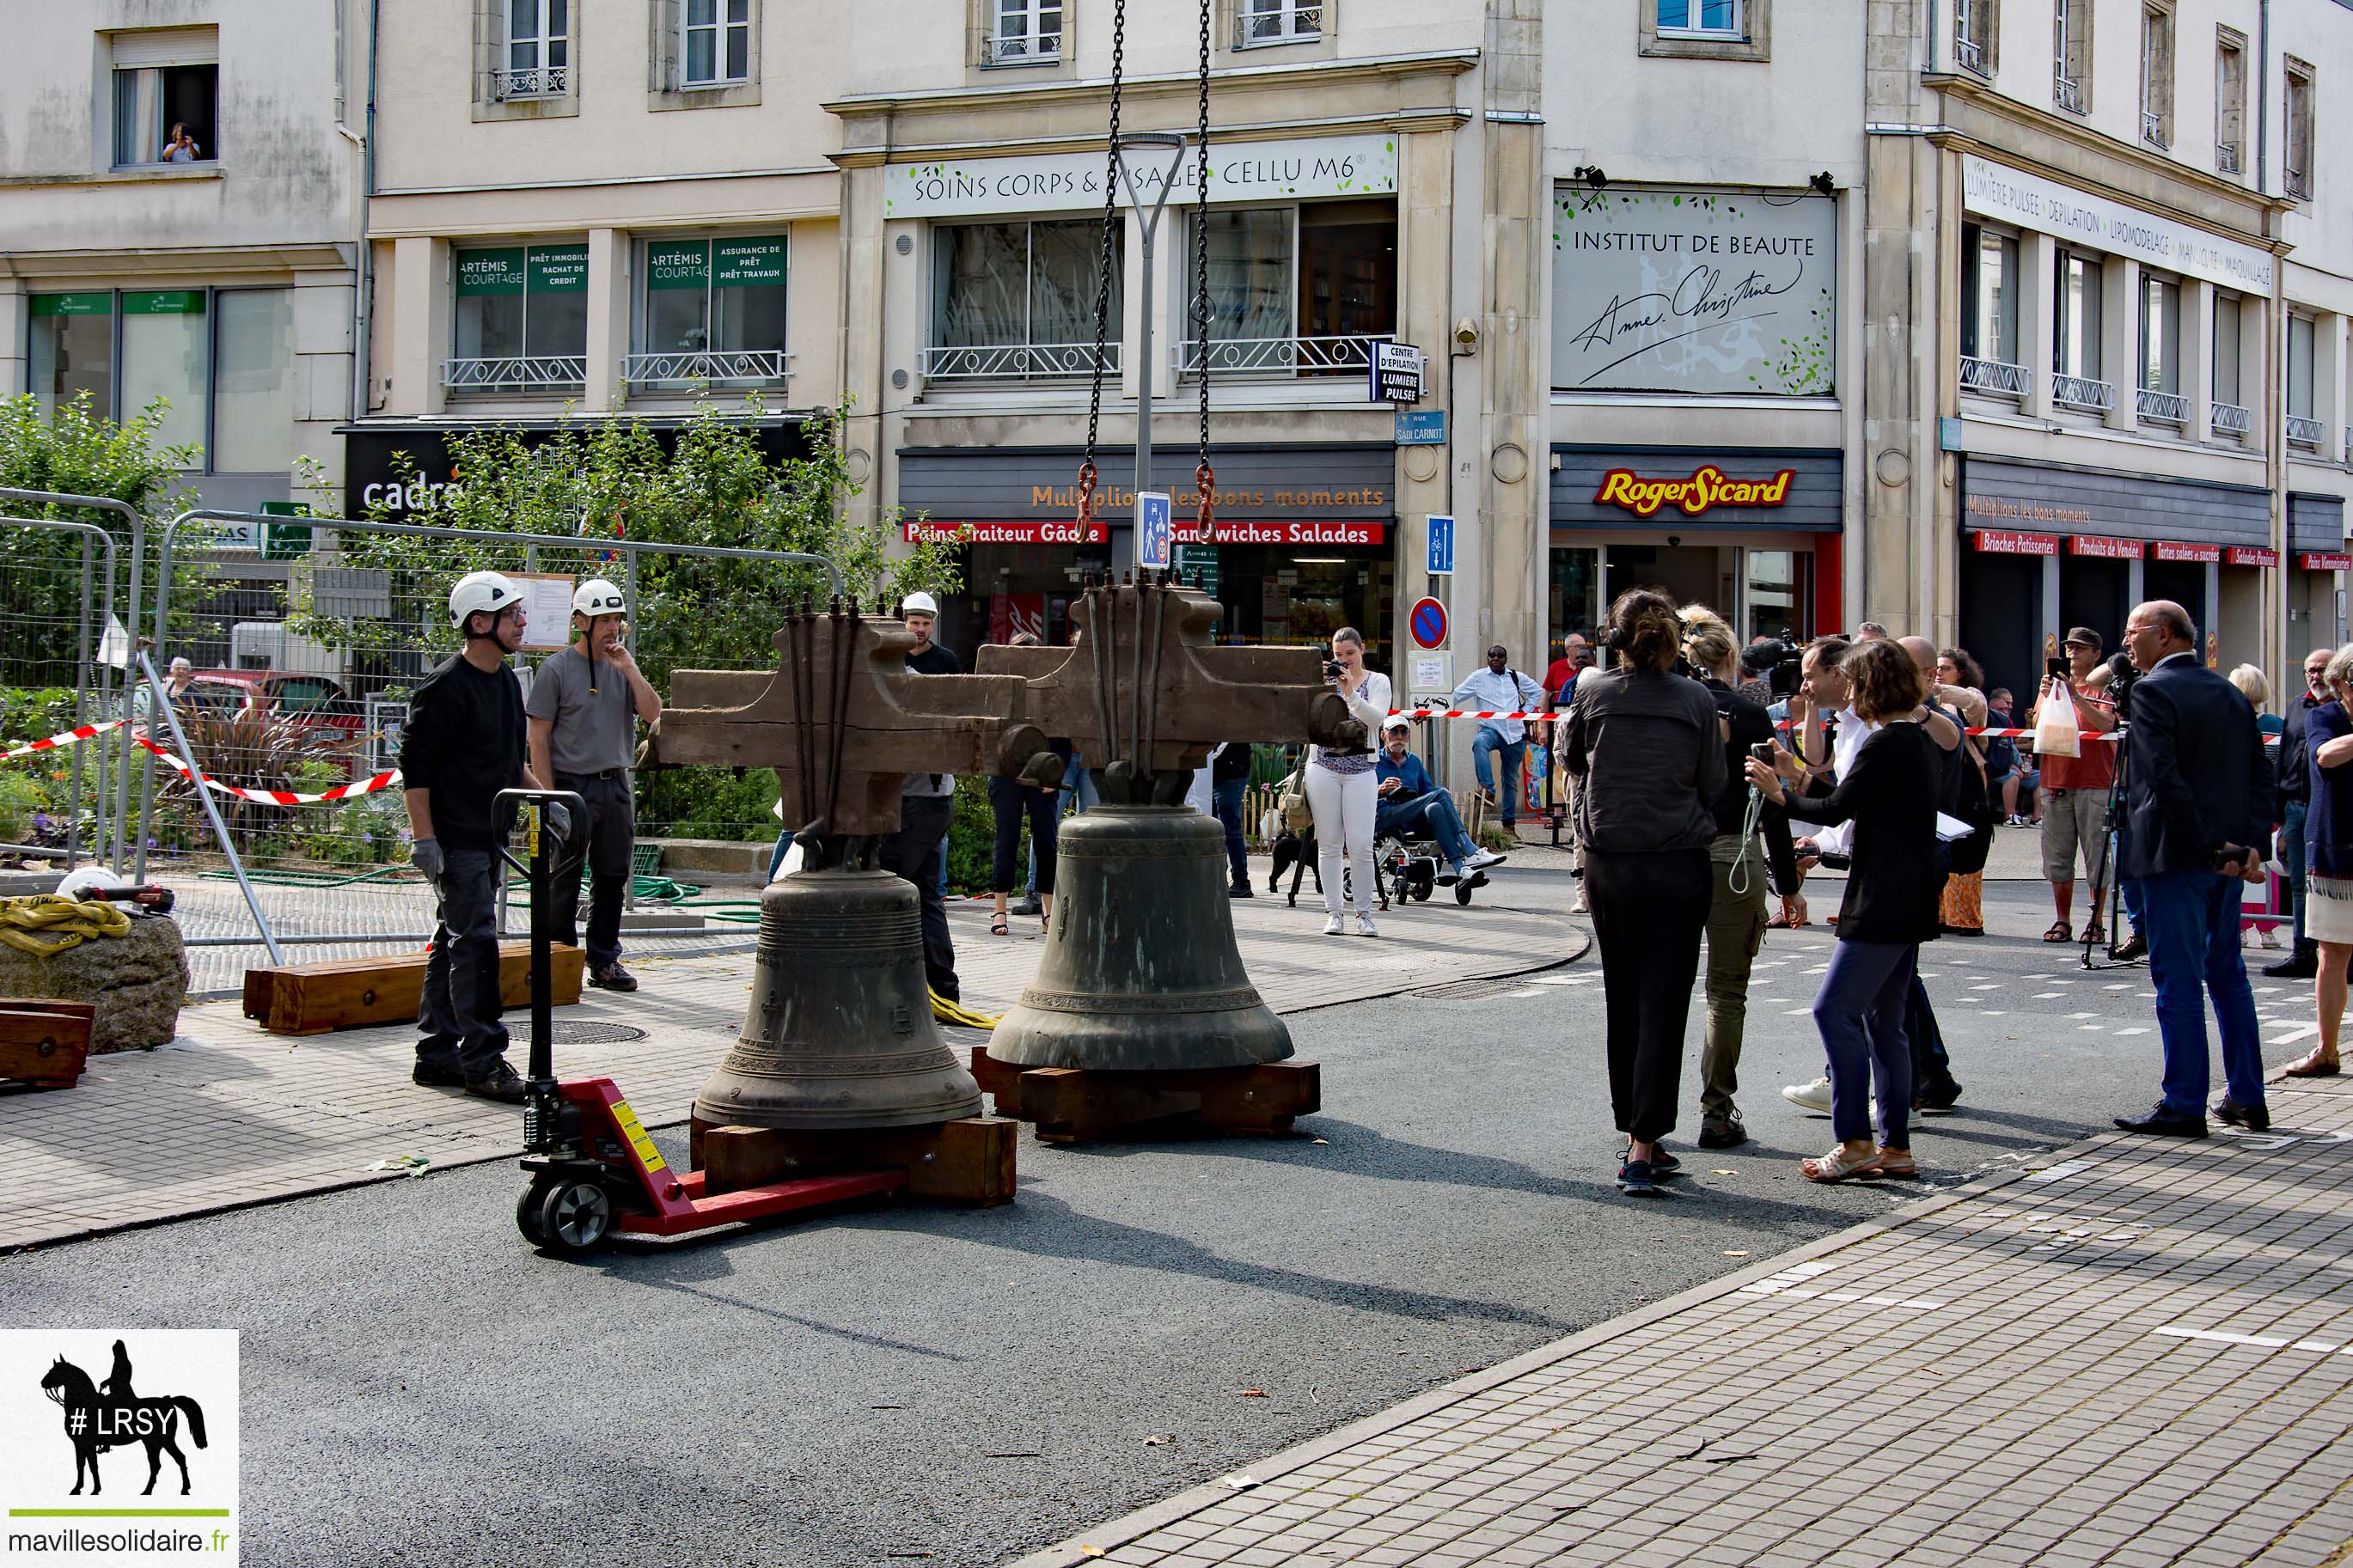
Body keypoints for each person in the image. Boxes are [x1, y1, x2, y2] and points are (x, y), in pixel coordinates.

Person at [1747, 638, 1942, 1182]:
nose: (1850, 692)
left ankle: (1854, 1139)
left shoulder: (1884, 744)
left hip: (1880, 897)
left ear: (1872, 688)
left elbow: (1836, 808)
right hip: (1908, 895)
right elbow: (1854, 801)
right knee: (1886, 1025)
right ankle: (1895, 1147)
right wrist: (1795, 778)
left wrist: (1778, 791)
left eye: (1855, 683)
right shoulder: (1915, 739)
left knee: (1834, 1011)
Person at [1560, 589, 1724, 1195]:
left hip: (1613, 862)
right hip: (1678, 860)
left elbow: (1573, 758)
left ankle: (1635, 1129)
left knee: (1623, 995)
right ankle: (1643, 1143)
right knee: (1665, 1000)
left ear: (1617, 638)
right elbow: (1713, 782)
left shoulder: (1594, 692)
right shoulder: (1697, 698)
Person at [2112, 600, 2272, 1136]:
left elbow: (2162, 776)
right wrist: (2247, 847)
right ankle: (2248, 1095)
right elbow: (2258, 775)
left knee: (2177, 979)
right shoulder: (2230, 691)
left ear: (2162, 636)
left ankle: (2184, 1103)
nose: (2127, 643)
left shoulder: (2152, 690)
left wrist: (2209, 846)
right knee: (2227, 973)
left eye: (2134, 633)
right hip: (2224, 858)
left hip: (2177, 855)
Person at [404, 570, 562, 1105]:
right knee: (476, 946)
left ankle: (439, 1055)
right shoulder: (444, 687)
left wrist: (548, 800)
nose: (522, 621)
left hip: (488, 834)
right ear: (479, 622)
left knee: (453, 943)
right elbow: (415, 769)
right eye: (512, 613)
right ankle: (484, 1059)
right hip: (457, 839)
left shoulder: (505, 683)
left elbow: (507, 761)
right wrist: (424, 840)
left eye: (520, 612)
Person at [1683, 610, 1800, 1150]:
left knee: (1660, 988)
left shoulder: (1668, 706)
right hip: (1734, 853)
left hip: (1671, 855)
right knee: (1725, 992)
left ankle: (1644, 1126)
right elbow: (1771, 802)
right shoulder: (1751, 714)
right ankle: (1716, 1109)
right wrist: (1791, 882)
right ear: (1730, 657)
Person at [526, 578, 661, 993]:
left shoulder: (622, 666)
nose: (612, 628)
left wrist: (631, 670)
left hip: (614, 784)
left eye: (617, 619)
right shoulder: (556, 669)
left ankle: (603, 960)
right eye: (604, 619)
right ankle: (558, 957)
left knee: (612, 875)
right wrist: (548, 797)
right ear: (581, 622)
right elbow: (538, 739)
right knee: (564, 875)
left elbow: (655, 714)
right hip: (570, 786)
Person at [880, 591, 963, 1000]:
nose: (918, 629)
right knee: (925, 893)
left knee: (894, 888)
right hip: (927, 799)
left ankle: (909, 988)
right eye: (912, 622)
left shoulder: (907, 679)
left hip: (918, 798)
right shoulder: (900, 676)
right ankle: (941, 990)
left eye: (923, 622)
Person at [2031, 627, 2121, 944]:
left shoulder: (2106, 689)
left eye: (2081, 648)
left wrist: (2077, 697)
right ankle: (2062, 919)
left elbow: (2107, 724)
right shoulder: (2052, 687)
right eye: (2069, 648)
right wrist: (2047, 695)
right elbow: (2037, 725)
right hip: (2056, 780)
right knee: (2057, 856)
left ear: (2097, 654)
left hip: (2094, 782)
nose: (2072, 653)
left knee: (2096, 855)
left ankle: (2096, 922)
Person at [2288, 644, 2353, 1079]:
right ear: (2343, 684)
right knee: (2332, 954)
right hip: (2337, 855)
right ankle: (2327, 1050)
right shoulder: (2324, 716)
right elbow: (2326, 756)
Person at [1305, 627, 1390, 937]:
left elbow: (1376, 719)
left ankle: (1364, 914)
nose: (1344, 661)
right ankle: (1334, 913)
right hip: (1324, 767)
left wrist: (1351, 692)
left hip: (1361, 771)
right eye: (1338, 655)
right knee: (1329, 844)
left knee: (1361, 845)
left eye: (1350, 654)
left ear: (1362, 650)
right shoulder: (1324, 682)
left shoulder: (1377, 681)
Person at [1374, 715, 1505, 888]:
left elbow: (1428, 791)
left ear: (1407, 736)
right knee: (1439, 796)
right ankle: (1470, 850)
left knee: (1436, 805)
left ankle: (1461, 869)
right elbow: (1359, 792)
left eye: (1403, 731)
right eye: (1394, 732)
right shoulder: (1374, 761)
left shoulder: (1413, 761)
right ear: (1384, 735)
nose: (1398, 736)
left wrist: (1439, 791)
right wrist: (1380, 789)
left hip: (1411, 815)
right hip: (1384, 814)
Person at [2266, 650, 2335, 979]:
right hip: (2296, 806)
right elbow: (2284, 757)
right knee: (2299, 884)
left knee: (2337, 881)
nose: (2315, 676)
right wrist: (2277, 810)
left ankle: (2337, 955)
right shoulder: (2297, 706)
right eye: (2310, 670)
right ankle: (2302, 951)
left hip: (2333, 806)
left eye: (2322, 670)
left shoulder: (2342, 708)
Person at [1918, 641, 1989, 937]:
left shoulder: (1967, 698)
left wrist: (1934, 691)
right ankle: (1933, 911)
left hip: (1966, 777)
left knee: (1964, 843)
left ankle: (1964, 916)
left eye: (1945, 669)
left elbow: (1975, 706)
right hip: (1934, 777)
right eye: (1936, 669)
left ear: (1960, 673)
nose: (1939, 674)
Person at [1449, 644, 1544, 834]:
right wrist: (1427, 706)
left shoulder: (1516, 677)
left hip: (1515, 734)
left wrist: (1524, 712)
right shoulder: (1478, 678)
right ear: (1487, 657)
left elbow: (1537, 691)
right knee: (1479, 743)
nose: (1496, 658)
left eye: (1500, 656)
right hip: (1491, 728)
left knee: (1510, 780)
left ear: (1506, 659)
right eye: (1492, 655)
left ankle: (1508, 826)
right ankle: (1487, 789)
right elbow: (1455, 697)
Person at [2228, 664, 2286, 950]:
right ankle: (2265, 928)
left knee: (2241, 864)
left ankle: (2245, 926)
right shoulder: (2275, 724)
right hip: (2265, 805)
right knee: (2264, 868)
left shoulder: (2228, 723)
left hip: (2243, 805)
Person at [1212, 738, 1256, 898]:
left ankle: (1241, 881)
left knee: (1229, 829)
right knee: (1222, 829)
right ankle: (1228, 879)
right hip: (1217, 770)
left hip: (1231, 770)